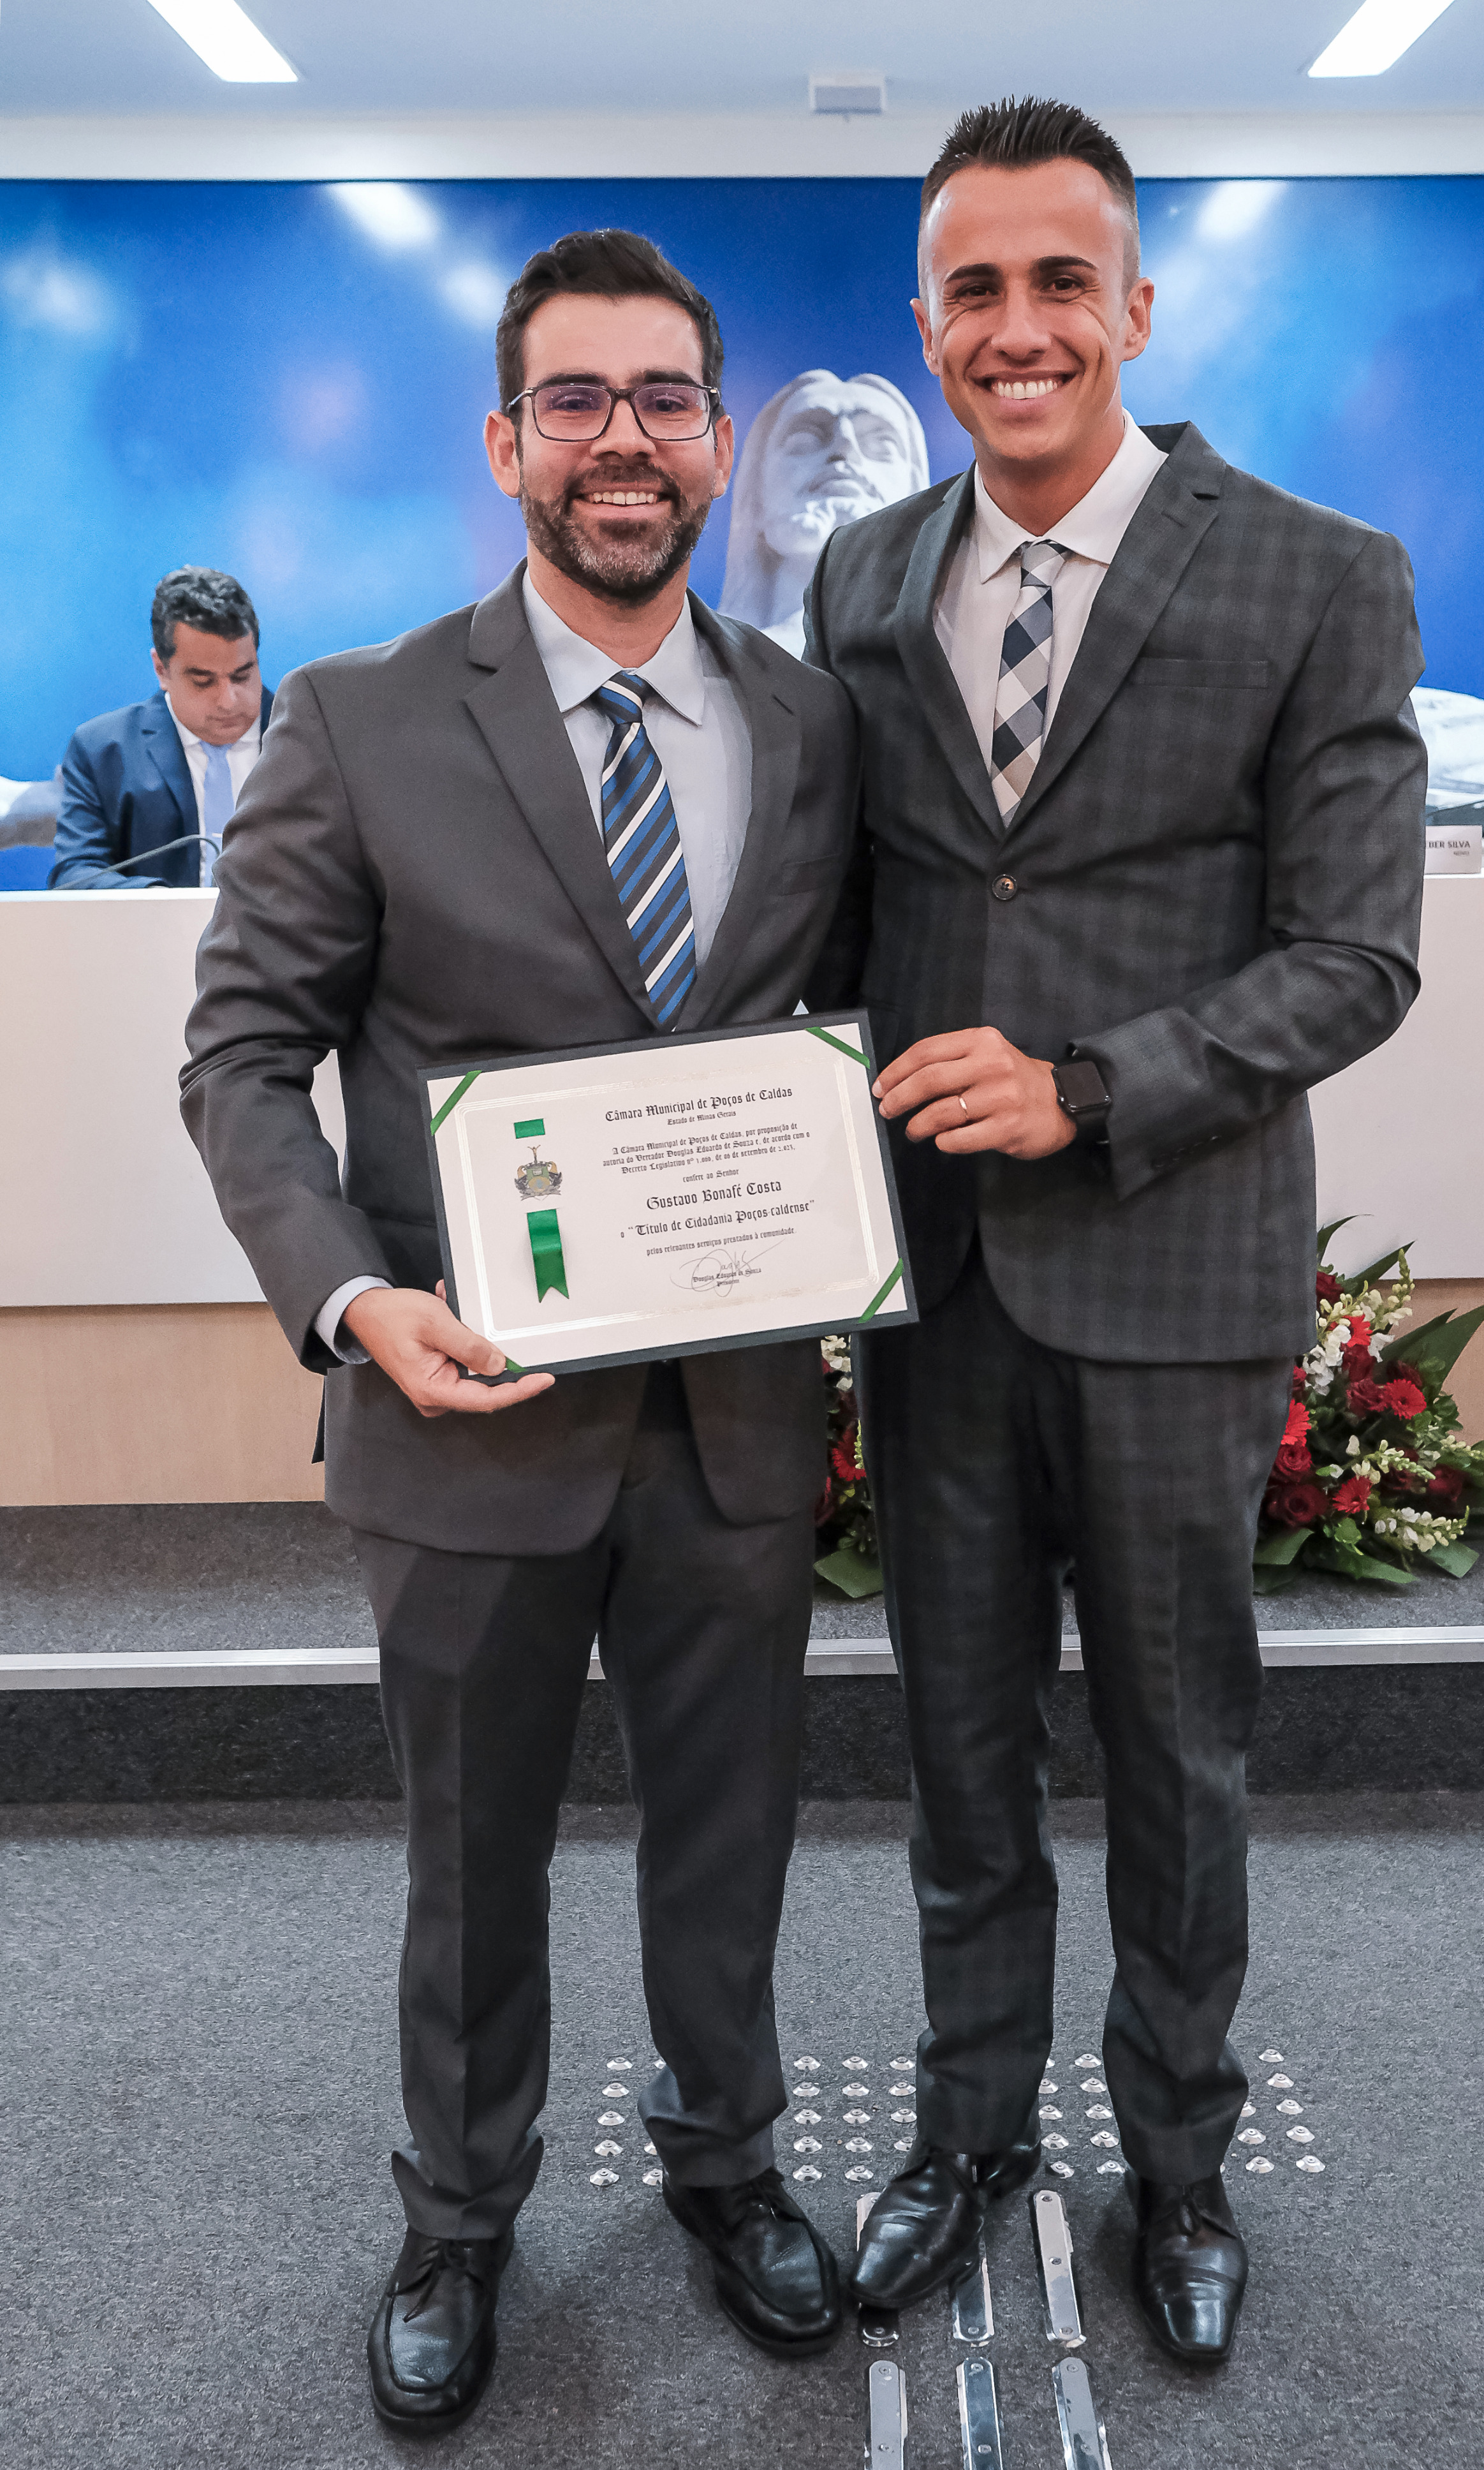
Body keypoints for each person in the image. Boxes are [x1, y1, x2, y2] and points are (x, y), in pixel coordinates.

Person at [181, 228, 859, 2433]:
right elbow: (242, 1055)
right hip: (459, 1410)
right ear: (504, 443)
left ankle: (727, 2162)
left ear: (720, 438)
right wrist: (349, 1296)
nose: (621, 442)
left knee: (730, 1835)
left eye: (663, 399)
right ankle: (460, 2212)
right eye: (575, 400)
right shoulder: (362, 717)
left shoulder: (812, 723)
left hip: (734, 1419)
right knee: (468, 1861)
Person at [804, 97, 1426, 2365]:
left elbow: (1352, 957)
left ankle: (1174, 2157)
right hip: (936, 1290)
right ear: (923, 325)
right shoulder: (859, 579)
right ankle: (970, 2127)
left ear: (1135, 306)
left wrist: (1084, 1088)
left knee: (1175, 1762)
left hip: (1169, 1270)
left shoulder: (1313, 574)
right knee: (957, 1756)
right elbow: (852, 911)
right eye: (971, 287)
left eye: (1059, 280)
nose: (1017, 326)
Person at [50, 567, 270, 887]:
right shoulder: (103, 751)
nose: (228, 701)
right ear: (161, 670)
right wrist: (162, 905)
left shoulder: (310, 736)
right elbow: (75, 876)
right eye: (203, 681)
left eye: (242, 675)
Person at [719, 370, 928, 653]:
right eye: (803, 441)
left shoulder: (962, 662)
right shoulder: (696, 666)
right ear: (756, 492)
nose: (845, 446)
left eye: (883, 446)